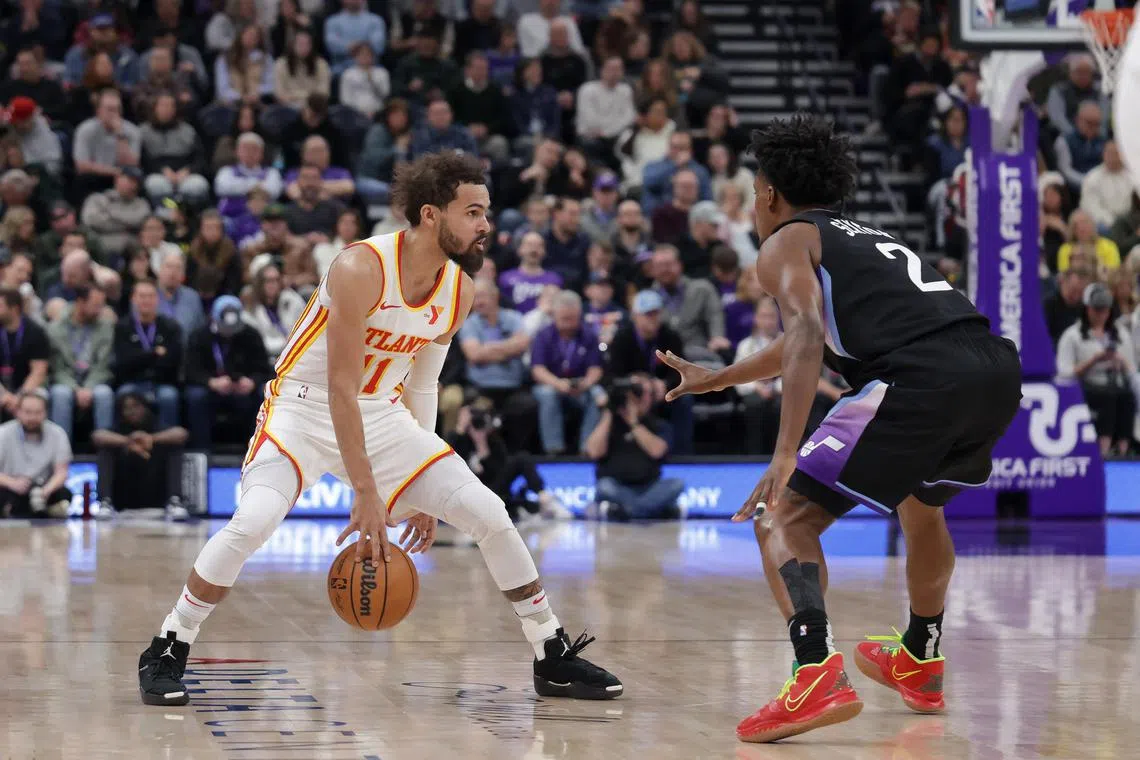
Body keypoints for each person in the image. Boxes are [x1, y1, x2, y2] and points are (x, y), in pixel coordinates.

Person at [137, 152, 621, 706]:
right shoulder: (360, 267)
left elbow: (423, 387)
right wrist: (368, 492)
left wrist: (420, 481)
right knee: (253, 523)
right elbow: (340, 389)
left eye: (486, 212)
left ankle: (549, 651)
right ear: (431, 214)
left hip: (382, 413)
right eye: (473, 212)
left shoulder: (459, 290)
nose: (486, 225)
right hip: (302, 408)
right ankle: (170, 643)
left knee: (489, 514)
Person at [657, 115, 1022, 743]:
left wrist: (785, 454)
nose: (754, 205)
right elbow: (809, 336)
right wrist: (720, 378)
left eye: (755, 191)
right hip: (990, 371)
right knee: (922, 508)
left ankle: (814, 672)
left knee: (783, 517)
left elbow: (803, 331)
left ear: (770, 194)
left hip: (919, 377)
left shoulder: (785, 242)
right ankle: (921, 655)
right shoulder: (865, 237)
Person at [448, 399, 569, 522]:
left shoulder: (493, 441)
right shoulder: (460, 440)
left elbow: (500, 470)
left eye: (479, 424)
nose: (477, 428)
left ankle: (544, 498)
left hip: (494, 490)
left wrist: (482, 446)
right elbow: (447, 462)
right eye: (474, 424)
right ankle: (519, 509)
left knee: (521, 458)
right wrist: (460, 427)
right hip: (470, 494)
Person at [584, 373, 683, 521]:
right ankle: (655, 511)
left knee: (677, 484)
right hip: (616, 485)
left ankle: (622, 511)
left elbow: (657, 451)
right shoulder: (608, 423)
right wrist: (609, 411)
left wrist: (633, 422)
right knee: (604, 487)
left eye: (644, 393)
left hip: (649, 487)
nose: (639, 398)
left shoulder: (658, 424)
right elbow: (594, 452)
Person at [606, 289, 694, 455]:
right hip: (631, 391)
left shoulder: (670, 336)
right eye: (648, 314)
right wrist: (632, 382)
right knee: (608, 401)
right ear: (635, 316)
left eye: (656, 313)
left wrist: (665, 384)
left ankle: (683, 454)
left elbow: (682, 372)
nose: (653, 319)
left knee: (684, 399)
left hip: (662, 392)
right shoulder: (622, 338)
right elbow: (611, 375)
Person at [1056, 282, 1137, 456]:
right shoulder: (1072, 336)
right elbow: (1064, 373)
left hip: (1116, 383)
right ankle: (1103, 451)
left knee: (1126, 397)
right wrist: (1093, 361)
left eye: (1105, 310)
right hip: (1087, 386)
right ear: (1087, 309)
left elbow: (1131, 369)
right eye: (1097, 310)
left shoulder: (1120, 334)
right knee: (1107, 398)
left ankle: (1123, 450)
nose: (1101, 315)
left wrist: (1120, 361)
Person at [184, 296, 272, 449]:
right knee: (196, 396)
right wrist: (211, 382)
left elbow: (264, 368)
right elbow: (190, 370)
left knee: (263, 393)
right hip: (210, 386)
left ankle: (255, 449)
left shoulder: (251, 334)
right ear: (214, 318)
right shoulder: (199, 335)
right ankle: (201, 449)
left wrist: (252, 381)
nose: (229, 333)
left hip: (243, 387)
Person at [92, 392, 190, 519]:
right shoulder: (118, 428)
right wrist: (129, 441)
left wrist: (151, 439)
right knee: (105, 450)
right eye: (126, 408)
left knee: (174, 447)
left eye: (136, 406)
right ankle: (105, 503)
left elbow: (181, 434)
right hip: (123, 497)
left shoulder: (157, 426)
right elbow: (97, 436)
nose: (132, 411)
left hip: (156, 494)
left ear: (146, 407)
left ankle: (175, 502)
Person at [530, 289, 605, 454]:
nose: (569, 324)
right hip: (550, 384)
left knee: (598, 396)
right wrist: (558, 384)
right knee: (548, 395)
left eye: (573, 319)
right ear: (554, 315)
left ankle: (587, 449)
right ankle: (554, 449)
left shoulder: (589, 335)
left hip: (580, 386)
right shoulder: (543, 335)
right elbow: (537, 370)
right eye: (565, 319)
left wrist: (585, 384)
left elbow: (596, 369)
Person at [47, 285, 115, 439]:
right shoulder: (56, 328)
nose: (100, 310)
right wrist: (76, 389)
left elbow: (103, 365)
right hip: (66, 381)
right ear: (80, 302)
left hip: (95, 380)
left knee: (104, 394)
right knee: (60, 394)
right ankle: (62, 447)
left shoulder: (106, 327)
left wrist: (88, 387)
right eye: (95, 305)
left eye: (102, 305)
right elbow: (57, 368)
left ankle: (105, 447)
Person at [113, 280, 183, 429]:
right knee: (124, 393)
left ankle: (168, 438)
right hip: (132, 382)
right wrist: (154, 353)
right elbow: (124, 362)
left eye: (151, 296)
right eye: (142, 296)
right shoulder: (123, 327)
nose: (146, 300)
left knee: (169, 396)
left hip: (161, 382)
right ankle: (127, 439)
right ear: (133, 299)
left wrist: (140, 357)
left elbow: (172, 361)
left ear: (157, 299)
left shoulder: (170, 327)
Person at [0, 391, 72, 519]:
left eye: (38, 412)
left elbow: (62, 472)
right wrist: (13, 483)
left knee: (65, 494)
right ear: (18, 412)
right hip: (11, 487)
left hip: (43, 488)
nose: (33, 417)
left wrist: (46, 490)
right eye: (28, 412)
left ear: (46, 412)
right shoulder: (3, 433)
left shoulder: (58, 433)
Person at [0, 287, 50, 420]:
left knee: (33, 403)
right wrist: (3, 394)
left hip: (29, 387)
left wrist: (20, 397)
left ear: (14, 308)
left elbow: (38, 371)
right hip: (2, 388)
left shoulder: (35, 331)